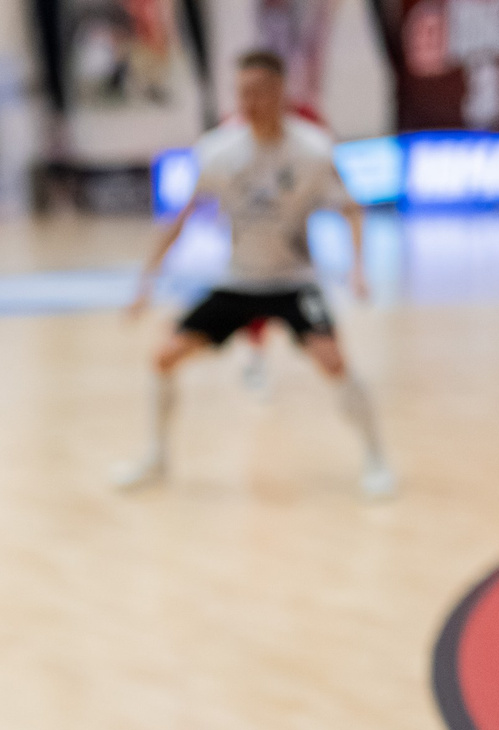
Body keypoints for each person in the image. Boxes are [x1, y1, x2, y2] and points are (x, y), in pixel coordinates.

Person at [112, 49, 391, 498]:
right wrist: (145, 282)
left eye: (260, 91)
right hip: (238, 280)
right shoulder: (218, 151)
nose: (250, 101)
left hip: (294, 280)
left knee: (334, 361)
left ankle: (376, 459)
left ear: (282, 93)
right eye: (243, 92)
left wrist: (358, 268)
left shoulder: (313, 149)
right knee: (164, 357)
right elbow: (178, 221)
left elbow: (350, 209)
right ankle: (156, 458)